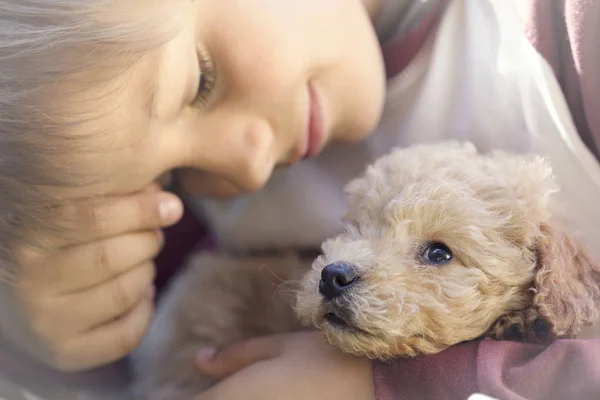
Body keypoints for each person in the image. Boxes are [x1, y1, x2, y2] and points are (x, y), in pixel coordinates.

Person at [0, 0, 599, 399]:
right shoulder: (213, 211)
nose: (248, 162)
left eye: (199, 81)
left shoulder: (569, 41)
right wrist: (32, 334)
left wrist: (399, 384)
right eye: (175, 173)